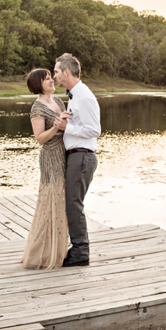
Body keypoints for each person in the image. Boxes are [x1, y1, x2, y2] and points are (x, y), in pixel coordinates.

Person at [52, 53, 100, 267]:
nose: (54, 76)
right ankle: (78, 247)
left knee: (73, 204)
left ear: (66, 72)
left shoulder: (85, 96)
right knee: (71, 203)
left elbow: (94, 130)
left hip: (82, 156)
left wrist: (66, 127)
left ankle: (81, 251)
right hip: (75, 156)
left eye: (56, 71)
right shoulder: (74, 95)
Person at [21, 68, 69, 270]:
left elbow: (66, 124)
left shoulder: (58, 101)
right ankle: (41, 255)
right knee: (51, 200)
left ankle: (59, 250)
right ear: (37, 84)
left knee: (63, 202)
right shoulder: (37, 108)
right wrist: (56, 127)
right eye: (46, 78)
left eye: (51, 77)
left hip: (65, 152)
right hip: (51, 156)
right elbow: (39, 139)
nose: (51, 80)